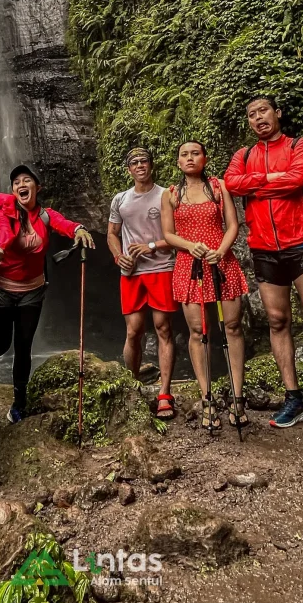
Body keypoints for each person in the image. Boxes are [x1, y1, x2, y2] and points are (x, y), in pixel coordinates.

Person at [224, 97, 303, 434]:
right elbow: (232, 183)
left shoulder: (300, 145)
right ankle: (295, 398)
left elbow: (298, 178)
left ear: (277, 113)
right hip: (264, 248)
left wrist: (259, 183)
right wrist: (272, 178)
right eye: (252, 114)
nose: (258, 118)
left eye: (263, 111)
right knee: (277, 320)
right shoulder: (243, 155)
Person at [0, 164, 95, 422]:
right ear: (12, 190)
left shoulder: (45, 216)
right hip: (1, 288)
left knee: (23, 346)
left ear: (37, 187)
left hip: (31, 290)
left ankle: (19, 402)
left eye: (26, 180)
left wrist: (78, 229)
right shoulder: (4, 213)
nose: (21, 185)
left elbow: (62, 223)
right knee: (1, 343)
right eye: (16, 182)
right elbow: (4, 233)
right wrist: (0, 252)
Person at [161, 140, 249, 431]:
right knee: (199, 331)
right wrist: (190, 246)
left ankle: (238, 396)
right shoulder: (171, 194)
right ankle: (206, 396)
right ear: (178, 162)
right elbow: (168, 234)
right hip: (190, 264)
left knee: (232, 326)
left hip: (221, 262)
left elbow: (232, 225)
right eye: (184, 154)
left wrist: (220, 251)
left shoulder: (219, 186)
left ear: (205, 158)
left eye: (195, 153)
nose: (190, 158)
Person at [107, 148, 178, 418]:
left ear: (151, 165)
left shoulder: (165, 195)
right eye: (134, 162)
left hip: (161, 268)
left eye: (144, 161)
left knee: (163, 328)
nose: (139, 166)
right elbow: (112, 234)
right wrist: (119, 257)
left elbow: (175, 235)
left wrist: (151, 246)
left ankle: (164, 393)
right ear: (128, 169)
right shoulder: (120, 199)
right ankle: (132, 385)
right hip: (132, 273)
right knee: (134, 331)